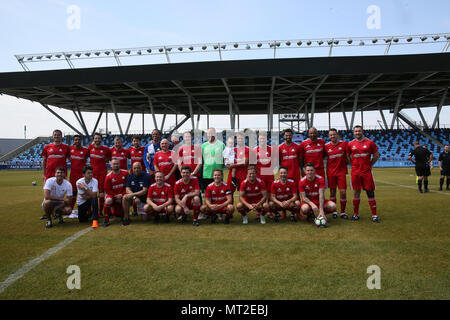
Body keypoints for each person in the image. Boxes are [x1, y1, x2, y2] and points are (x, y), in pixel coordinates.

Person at [347, 125, 380, 222]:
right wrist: (352, 165)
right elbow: (348, 156)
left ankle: (374, 215)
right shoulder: (350, 144)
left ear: (363, 132)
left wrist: (370, 164)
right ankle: (356, 214)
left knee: (370, 192)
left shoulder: (370, 142)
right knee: (356, 192)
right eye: (356, 131)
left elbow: (376, 155)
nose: (357, 133)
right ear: (353, 133)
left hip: (366, 172)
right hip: (355, 172)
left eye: (359, 131)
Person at [325, 129, 349, 219]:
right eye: (330, 135)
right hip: (330, 172)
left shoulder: (344, 144)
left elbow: (349, 155)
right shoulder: (326, 146)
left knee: (343, 192)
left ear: (337, 135)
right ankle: (334, 211)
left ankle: (343, 212)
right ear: (329, 136)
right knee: (332, 192)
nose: (332, 136)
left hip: (341, 172)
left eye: (334, 134)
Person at [88, 133, 111, 217]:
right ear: (93, 139)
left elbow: (109, 158)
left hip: (102, 172)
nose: (97, 140)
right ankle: (90, 211)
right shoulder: (90, 148)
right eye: (95, 138)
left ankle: (100, 211)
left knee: (101, 192)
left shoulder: (105, 149)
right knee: (91, 192)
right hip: (92, 173)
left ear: (101, 140)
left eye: (98, 138)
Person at [122, 162, 151, 226]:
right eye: (135, 168)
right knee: (125, 197)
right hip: (135, 198)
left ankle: (149, 212)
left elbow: (144, 191)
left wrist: (132, 195)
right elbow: (127, 189)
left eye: (138, 168)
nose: (136, 170)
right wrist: (134, 197)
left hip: (144, 199)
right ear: (132, 168)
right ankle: (126, 218)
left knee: (145, 219)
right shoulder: (130, 176)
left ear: (141, 168)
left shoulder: (146, 176)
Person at [254, 132, 275, 219]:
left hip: (269, 176)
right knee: (260, 195)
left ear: (266, 139)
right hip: (259, 176)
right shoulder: (254, 150)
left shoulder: (272, 149)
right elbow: (253, 164)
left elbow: (274, 163)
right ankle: (259, 212)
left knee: (269, 194)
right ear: (258, 139)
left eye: (264, 138)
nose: (262, 140)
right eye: (260, 138)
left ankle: (269, 211)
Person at [103, 159, 129, 227]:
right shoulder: (108, 176)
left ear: (120, 164)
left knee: (119, 218)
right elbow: (107, 189)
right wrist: (115, 196)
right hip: (112, 196)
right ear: (111, 165)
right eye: (114, 164)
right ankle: (106, 220)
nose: (116, 165)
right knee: (108, 200)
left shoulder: (125, 173)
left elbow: (128, 186)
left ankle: (125, 217)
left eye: (117, 164)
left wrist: (122, 195)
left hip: (123, 196)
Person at [68, 135, 89, 211]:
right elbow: (67, 156)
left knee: (85, 193)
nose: (77, 141)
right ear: (73, 141)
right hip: (73, 175)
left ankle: (87, 210)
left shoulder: (86, 150)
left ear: (81, 141)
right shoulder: (70, 149)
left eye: (79, 140)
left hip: (82, 175)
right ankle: (70, 209)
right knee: (73, 193)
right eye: (75, 140)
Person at [201, 127, 226, 192]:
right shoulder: (203, 146)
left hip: (218, 174)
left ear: (215, 134)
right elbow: (201, 160)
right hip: (206, 174)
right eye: (209, 133)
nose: (210, 135)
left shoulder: (221, 145)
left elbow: (225, 158)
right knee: (208, 195)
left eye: (212, 133)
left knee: (219, 193)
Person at [128, 135, 146, 216]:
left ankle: (143, 208)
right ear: (132, 142)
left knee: (143, 190)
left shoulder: (144, 149)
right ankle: (135, 210)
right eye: (134, 141)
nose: (135, 142)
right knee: (134, 190)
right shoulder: (130, 150)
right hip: (133, 174)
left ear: (140, 141)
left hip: (142, 173)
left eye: (137, 141)